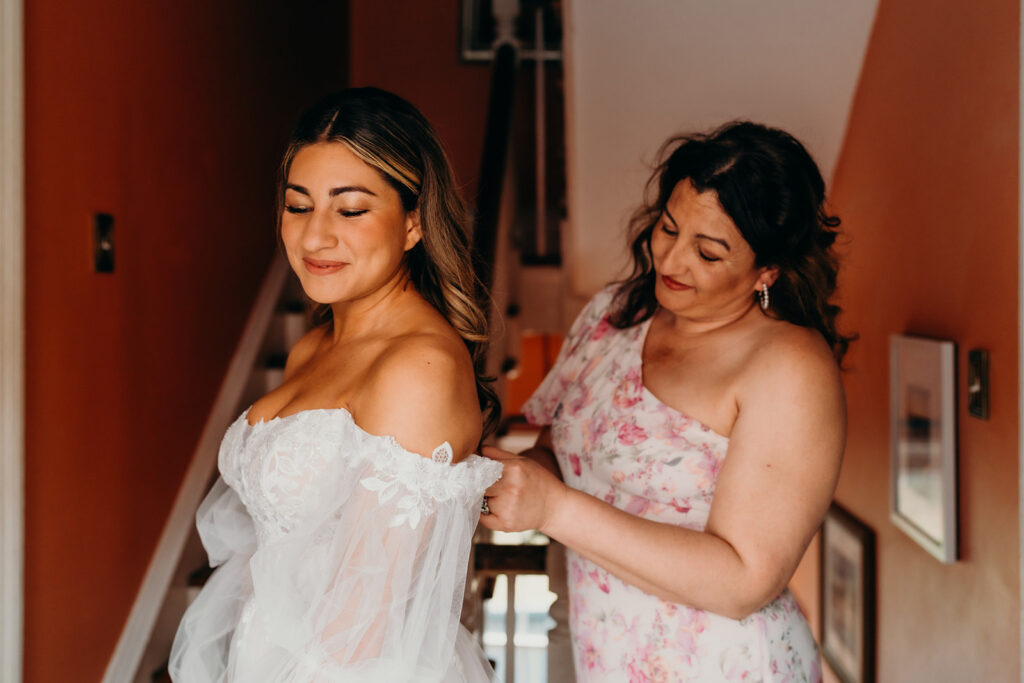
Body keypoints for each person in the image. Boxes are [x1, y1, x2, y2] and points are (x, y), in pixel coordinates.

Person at [480, 121, 851, 682]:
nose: (671, 262)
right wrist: (504, 476)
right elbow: (559, 451)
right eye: (668, 229)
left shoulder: (790, 366)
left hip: (721, 663)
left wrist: (551, 509)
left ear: (767, 270)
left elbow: (744, 581)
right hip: (605, 649)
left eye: (708, 252)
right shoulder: (615, 314)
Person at [170, 87, 503, 682]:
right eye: (298, 206)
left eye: (350, 210)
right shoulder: (314, 346)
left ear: (413, 223)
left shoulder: (418, 369)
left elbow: (362, 633)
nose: (315, 236)